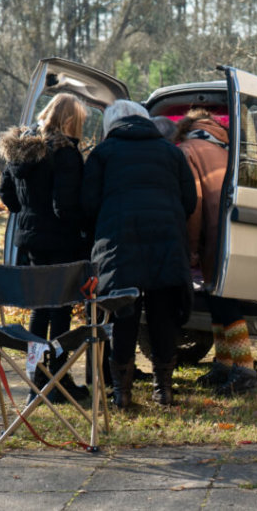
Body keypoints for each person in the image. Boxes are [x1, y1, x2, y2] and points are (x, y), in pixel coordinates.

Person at [82, 100, 197, 408]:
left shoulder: (103, 154)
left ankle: (122, 394)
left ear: (110, 125)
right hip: (166, 242)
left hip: (119, 244)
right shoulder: (171, 152)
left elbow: (88, 205)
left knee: (123, 314)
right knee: (163, 314)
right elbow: (190, 201)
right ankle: (164, 390)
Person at [0, 92, 90, 404]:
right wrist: (81, 229)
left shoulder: (21, 148)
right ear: (68, 121)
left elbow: (6, 193)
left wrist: (26, 212)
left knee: (40, 307)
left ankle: (37, 378)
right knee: (60, 309)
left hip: (31, 238)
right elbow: (65, 206)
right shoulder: (63, 151)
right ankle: (60, 378)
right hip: (61, 240)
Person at [176, 108, 257, 396]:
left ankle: (245, 370)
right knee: (218, 299)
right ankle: (224, 365)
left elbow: (194, 205)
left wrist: (191, 248)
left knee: (224, 302)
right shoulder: (228, 148)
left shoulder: (187, 150)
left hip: (213, 233)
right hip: (238, 231)